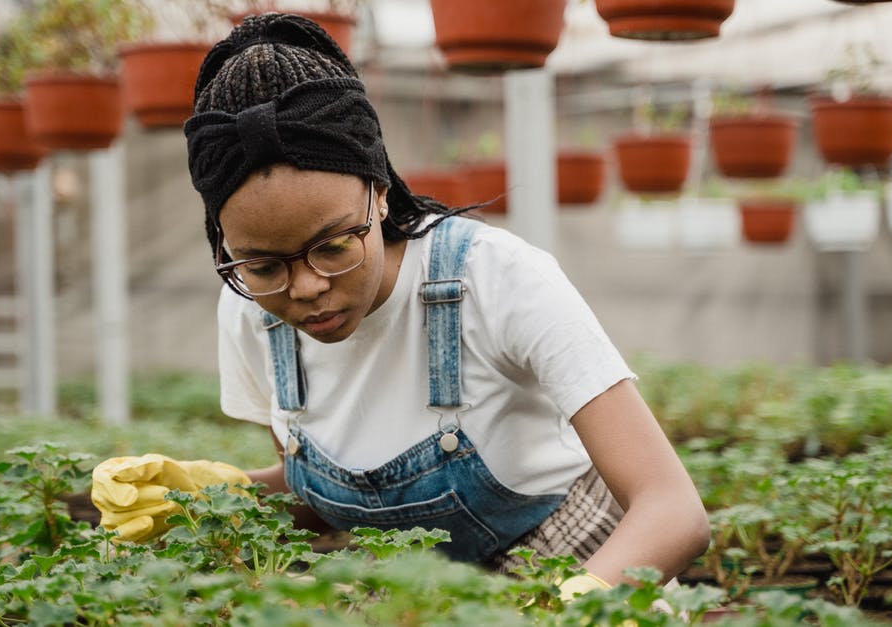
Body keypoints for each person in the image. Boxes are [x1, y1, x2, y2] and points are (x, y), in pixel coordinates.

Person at [90, 12, 709, 598]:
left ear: (379, 194)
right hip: (412, 595)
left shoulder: (493, 279)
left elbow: (671, 508)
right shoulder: (251, 314)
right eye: (263, 264)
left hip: (577, 565)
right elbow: (329, 499)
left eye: (332, 246)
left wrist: (577, 602)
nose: (304, 288)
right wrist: (214, 496)